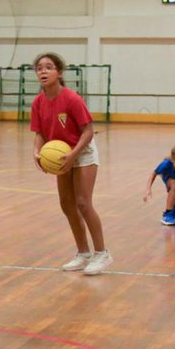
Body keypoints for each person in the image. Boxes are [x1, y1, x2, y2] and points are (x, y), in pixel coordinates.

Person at [31, 52, 111, 275]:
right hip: (61, 154)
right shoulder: (38, 103)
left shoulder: (72, 99)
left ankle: (102, 253)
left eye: (48, 67)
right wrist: (36, 152)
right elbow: (39, 133)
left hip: (82, 151)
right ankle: (83, 254)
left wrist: (74, 155)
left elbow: (88, 131)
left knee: (83, 203)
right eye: (39, 68)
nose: (43, 71)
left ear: (59, 72)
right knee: (67, 205)